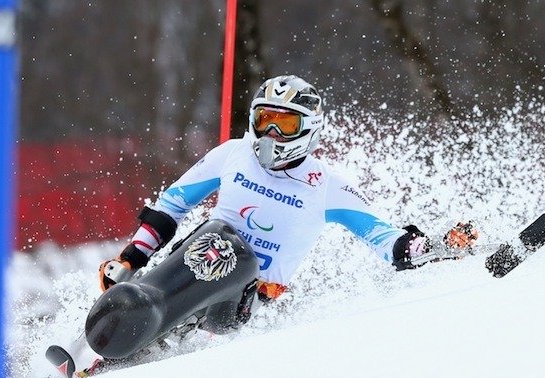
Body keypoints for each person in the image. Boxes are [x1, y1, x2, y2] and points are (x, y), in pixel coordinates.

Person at [99, 75, 478, 318]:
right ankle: (94, 344)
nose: (274, 133)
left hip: (246, 304)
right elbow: (172, 205)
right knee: (213, 238)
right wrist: (131, 259)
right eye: (266, 120)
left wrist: (434, 246)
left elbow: (386, 240)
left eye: (287, 124)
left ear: (309, 130)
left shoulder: (325, 185)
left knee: (230, 267)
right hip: (191, 268)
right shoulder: (233, 153)